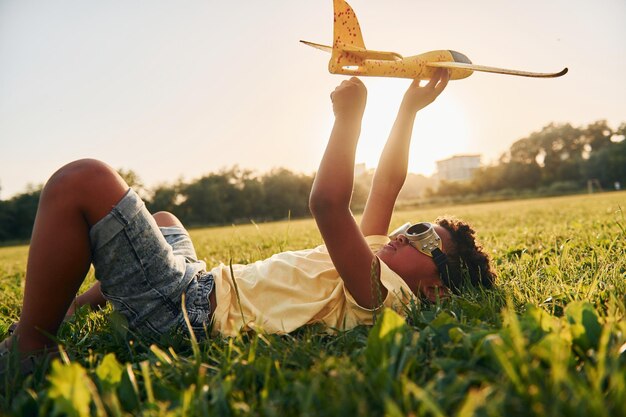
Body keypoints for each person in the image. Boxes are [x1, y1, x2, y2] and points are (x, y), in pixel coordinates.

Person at [0, 70, 494, 373]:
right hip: (199, 282)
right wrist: (408, 108)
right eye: (416, 225)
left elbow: (326, 204)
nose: (407, 231)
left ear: (435, 291)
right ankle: (78, 305)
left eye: (425, 237)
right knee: (167, 219)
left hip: (184, 314)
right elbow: (387, 184)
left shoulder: (380, 294)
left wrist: (348, 119)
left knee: (82, 180)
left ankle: (31, 345)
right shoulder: (381, 259)